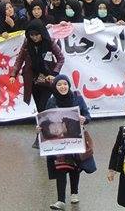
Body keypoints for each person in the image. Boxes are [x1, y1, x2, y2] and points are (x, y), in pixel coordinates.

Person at [44, 75, 94, 210]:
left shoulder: (77, 98)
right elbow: (45, 121)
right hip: (59, 141)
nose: (63, 87)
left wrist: (84, 119)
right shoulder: (51, 101)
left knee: (75, 167)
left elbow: (88, 116)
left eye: (65, 84)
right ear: (55, 87)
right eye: (59, 84)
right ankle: (60, 200)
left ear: (69, 85)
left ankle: (74, 192)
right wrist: (40, 128)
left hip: (75, 139)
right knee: (60, 168)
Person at [11, 20, 65, 111]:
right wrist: (13, 74)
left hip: (47, 77)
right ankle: (42, 119)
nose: (34, 37)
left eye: (37, 35)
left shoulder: (50, 42)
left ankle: (45, 119)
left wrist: (54, 73)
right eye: (31, 35)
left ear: (42, 33)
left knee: (44, 105)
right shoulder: (27, 43)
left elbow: (61, 59)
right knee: (38, 106)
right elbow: (20, 58)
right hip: (33, 78)